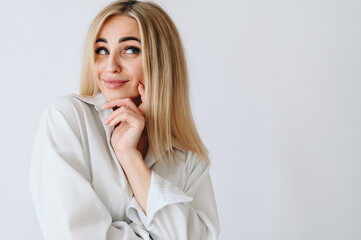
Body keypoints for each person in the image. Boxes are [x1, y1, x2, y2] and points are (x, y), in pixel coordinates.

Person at [29, 0, 220, 239]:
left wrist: (129, 157)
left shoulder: (188, 158)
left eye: (130, 50)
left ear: (160, 61)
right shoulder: (68, 119)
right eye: (101, 50)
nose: (110, 66)